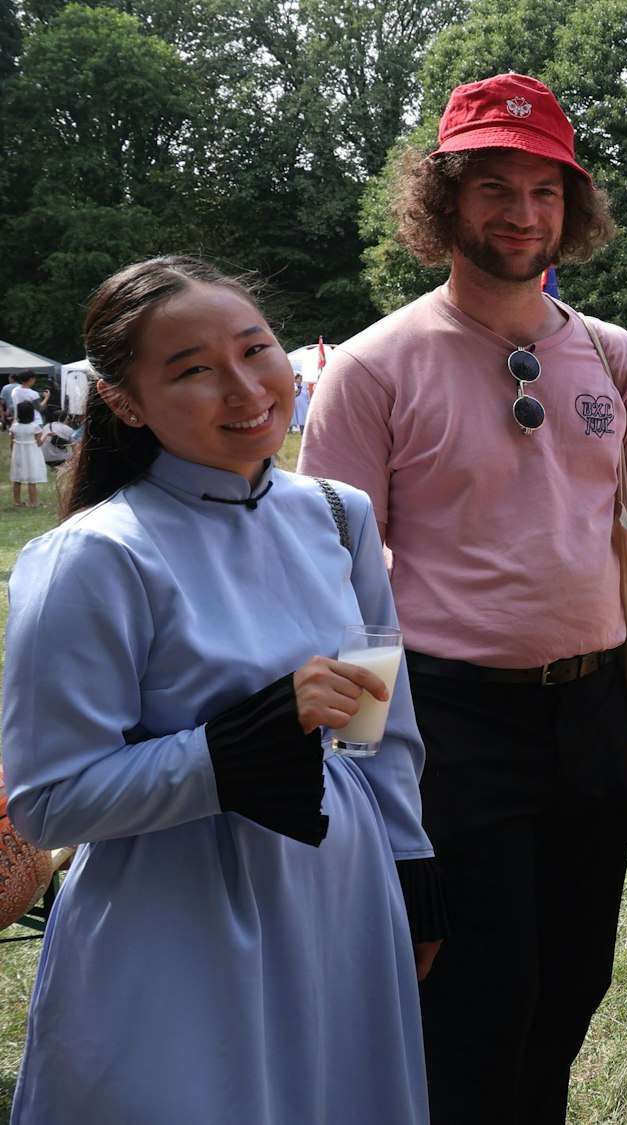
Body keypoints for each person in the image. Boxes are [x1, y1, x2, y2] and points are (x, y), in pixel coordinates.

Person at [298, 73, 627, 1125]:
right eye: (493, 186)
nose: (521, 212)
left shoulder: (610, 351)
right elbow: (332, 582)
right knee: (473, 999)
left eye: (545, 190)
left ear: (570, 208)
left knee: (570, 984)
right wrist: (359, 777)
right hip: (451, 722)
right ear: (444, 200)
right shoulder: (372, 368)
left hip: (592, 713)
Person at [1, 256, 439, 1122]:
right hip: (177, 920)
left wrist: (410, 860)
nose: (244, 389)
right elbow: (49, 801)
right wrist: (236, 746)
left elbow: (376, 719)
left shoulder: (338, 515)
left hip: (343, 896)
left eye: (256, 349)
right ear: (124, 400)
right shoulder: (95, 557)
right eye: (192, 369)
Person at [11, 401, 47, 507]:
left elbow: (11, 442)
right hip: (31, 453)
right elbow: (39, 443)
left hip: (18, 452)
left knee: (17, 478)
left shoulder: (14, 427)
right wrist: (47, 435)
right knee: (31, 478)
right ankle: (33, 501)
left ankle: (17, 501)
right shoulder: (34, 427)